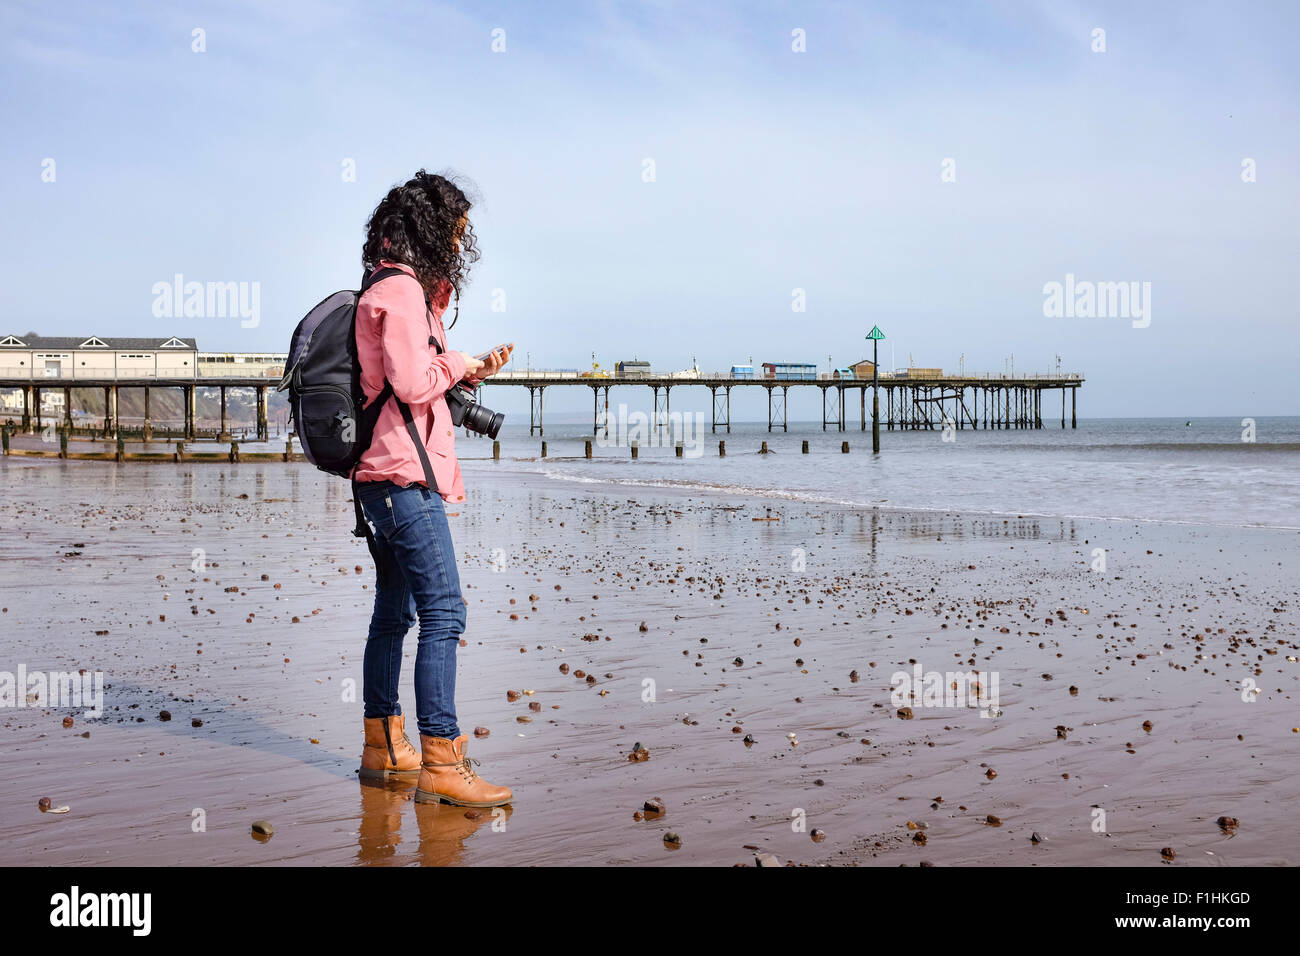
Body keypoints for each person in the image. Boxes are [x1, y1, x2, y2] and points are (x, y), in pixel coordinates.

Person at [351, 169, 514, 808]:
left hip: (383, 477)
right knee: (444, 610)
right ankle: (442, 762)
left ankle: (385, 744)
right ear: (429, 227)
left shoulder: (397, 290)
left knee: (395, 611)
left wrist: (463, 360)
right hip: (401, 479)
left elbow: (411, 376)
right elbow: (417, 384)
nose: (461, 240)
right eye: (455, 230)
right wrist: (460, 362)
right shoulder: (398, 292)